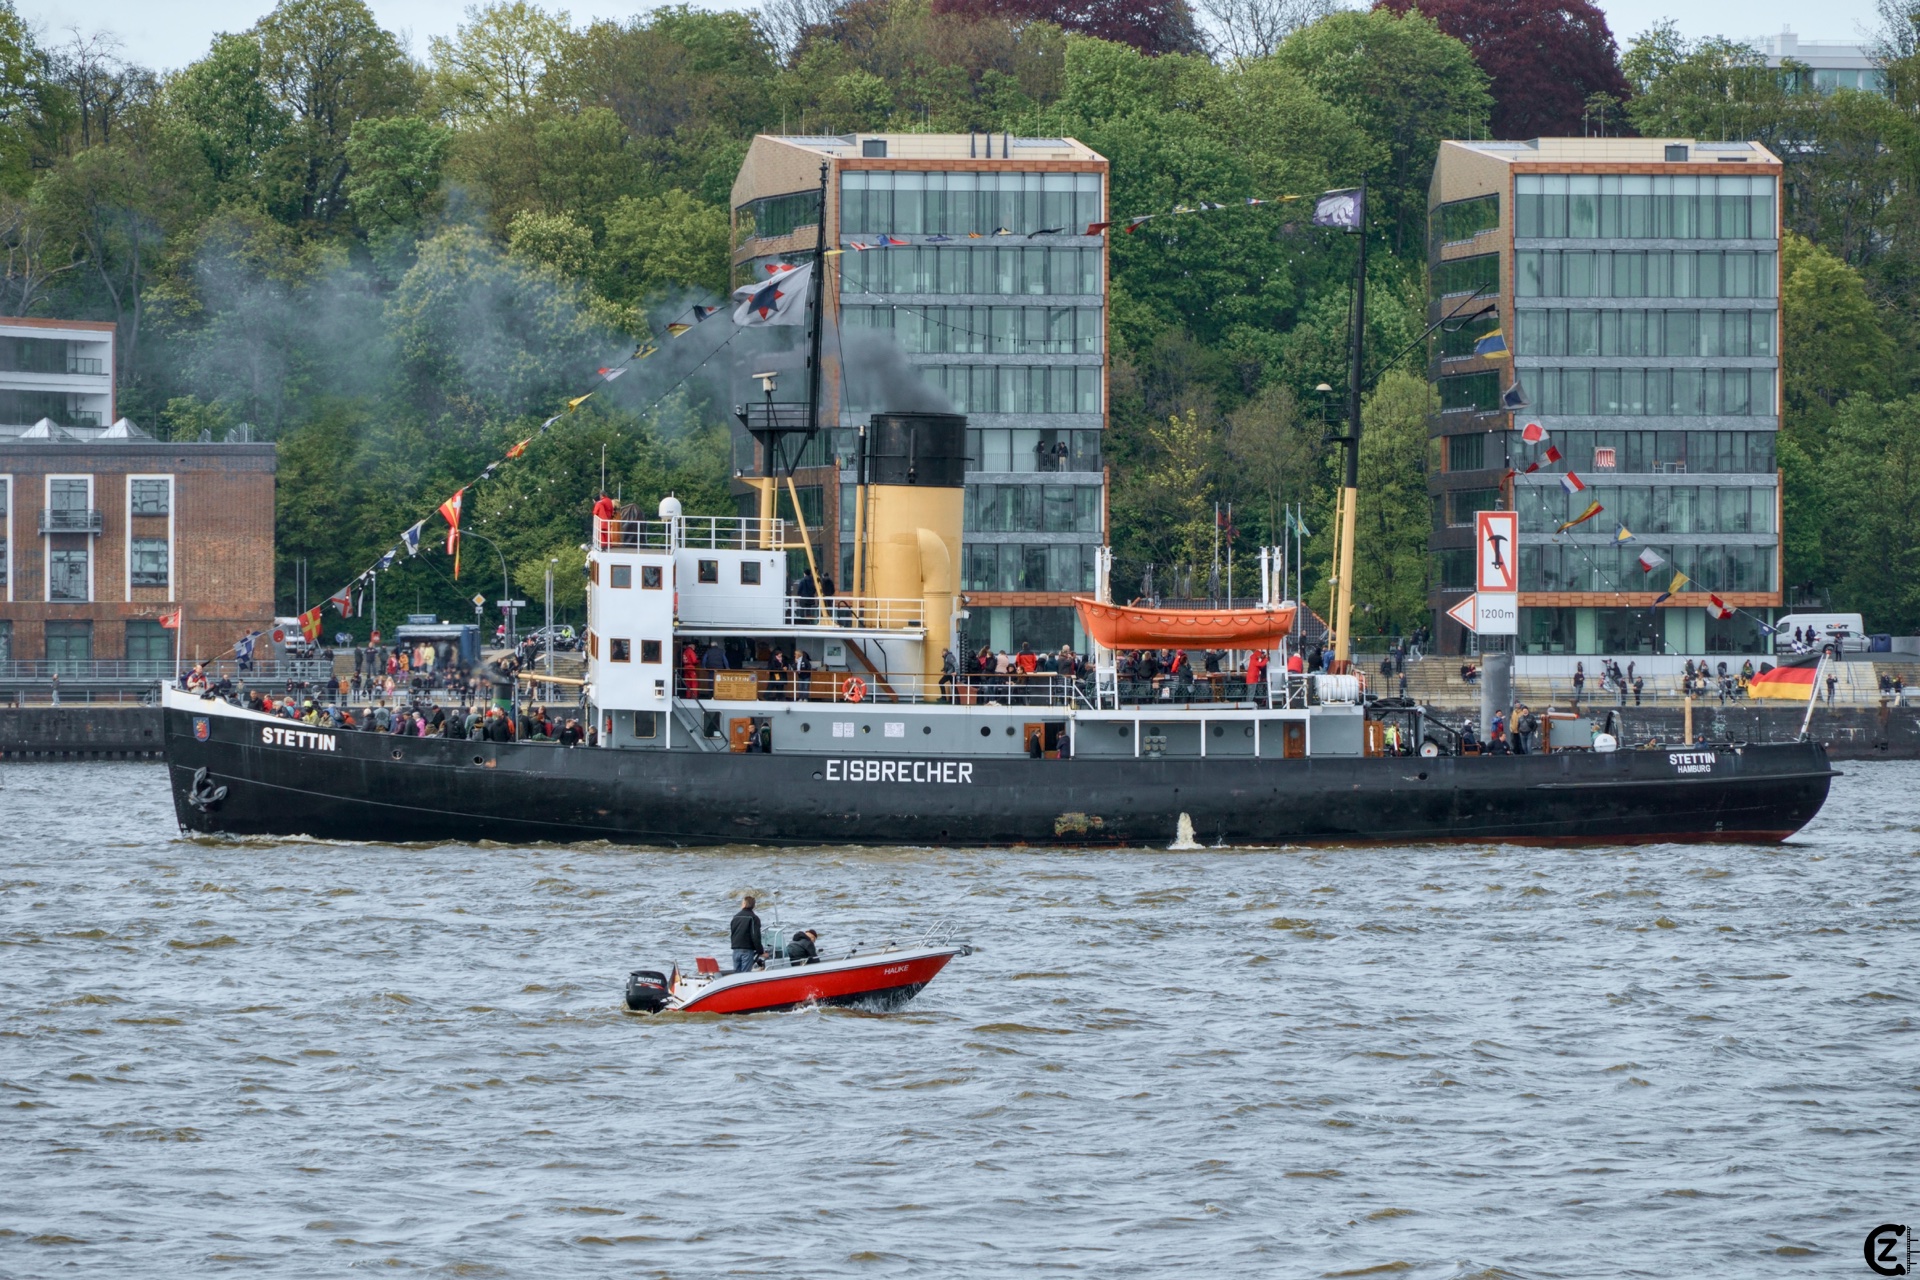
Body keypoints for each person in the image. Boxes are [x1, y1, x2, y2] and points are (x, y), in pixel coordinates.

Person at [730, 895, 766, 973]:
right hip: (747, 950)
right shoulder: (753, 918)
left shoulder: (735, 917)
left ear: (744, 904)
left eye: (742, 903)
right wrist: (761, 952)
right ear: (753, 905)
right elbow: (755, 936)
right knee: (745, 975)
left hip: (735, 949)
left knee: (736, 974)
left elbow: (733, 933)